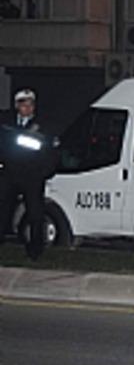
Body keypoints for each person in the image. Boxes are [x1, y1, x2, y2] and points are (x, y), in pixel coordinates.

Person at [0, 89, 58, 259]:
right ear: (17, 106)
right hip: (10, 174)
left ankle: (35, 249)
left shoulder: (43, 126)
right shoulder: (7, 125)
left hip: (32, 177)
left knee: (35, 214)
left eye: (30, 104)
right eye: (24, 104)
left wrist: (42, 173)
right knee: (3, 210)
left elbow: (52, 154)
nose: (28, 108)